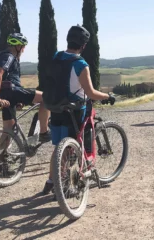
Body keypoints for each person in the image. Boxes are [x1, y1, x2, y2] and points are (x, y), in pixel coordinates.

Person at [42, 25, 114, 195]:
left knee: (59, 148)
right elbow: (91, 93)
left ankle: (51, 181)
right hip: (74, 111)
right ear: (83, 45)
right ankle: (66, 186)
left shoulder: (57, 57)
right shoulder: (81, 64)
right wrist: (107, 96)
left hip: (56, 108)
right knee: (71, 149)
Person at [0, 33, 51, 172]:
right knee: (46, 98)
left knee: (9, 129)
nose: (24, 49)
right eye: (23, 46)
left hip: (10, 95)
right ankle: (43, 132)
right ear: (17, 46)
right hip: (11, 92)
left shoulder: (8, 56)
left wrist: (16, 100)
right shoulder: (8, 56)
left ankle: (1, 163)